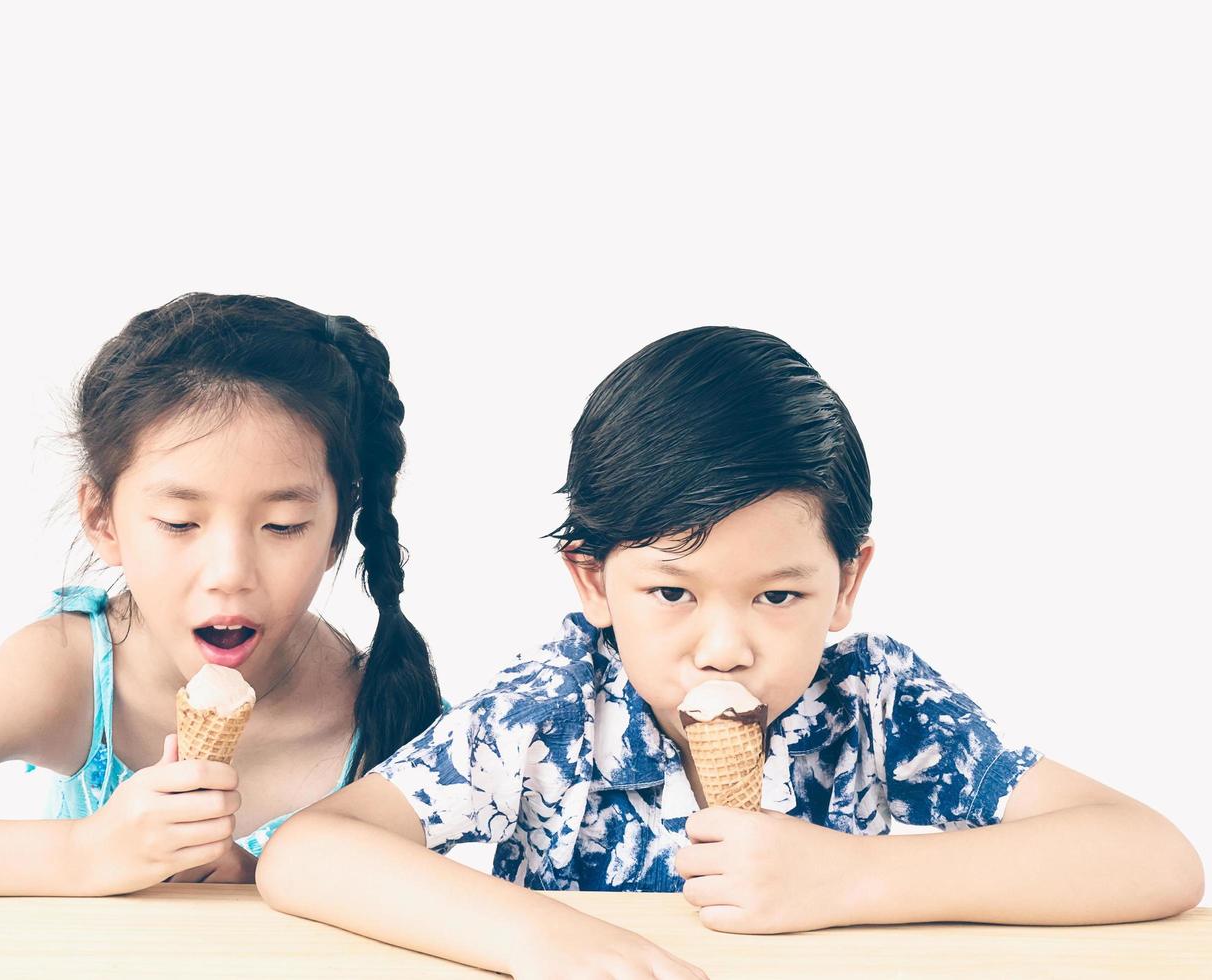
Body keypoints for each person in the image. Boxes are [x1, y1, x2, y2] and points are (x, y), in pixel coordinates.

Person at [257, 326, 1204, 978]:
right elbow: (309, 852)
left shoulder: (877, 700)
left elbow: (1152, 857)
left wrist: (854, 878)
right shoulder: (548, 711)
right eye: (672, 593)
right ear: (592, 581)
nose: (725, 645)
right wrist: (536, 936)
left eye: (779, 596)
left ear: (849, 581)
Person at [0, 293, 441, 898]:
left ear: (337, 530)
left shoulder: (393, 709)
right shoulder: (72, 671)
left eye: (282, 526)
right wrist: (83, 852)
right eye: (178, 523)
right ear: (102, 520)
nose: (231, 572)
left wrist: (256, 881)